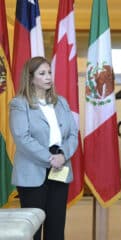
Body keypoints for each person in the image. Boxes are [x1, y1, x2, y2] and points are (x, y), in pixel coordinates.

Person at [9, 56, 78, 240]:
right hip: (33, 172)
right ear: (30, 78)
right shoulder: (19, 104)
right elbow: (22, 137)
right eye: (42, 73)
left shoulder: (61, 102)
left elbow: (73, 134)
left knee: (56, 227)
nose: (48, 77)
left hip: (60, 167)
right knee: (33, 230)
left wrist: (62, 155)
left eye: (49, 72)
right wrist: (49, 158)